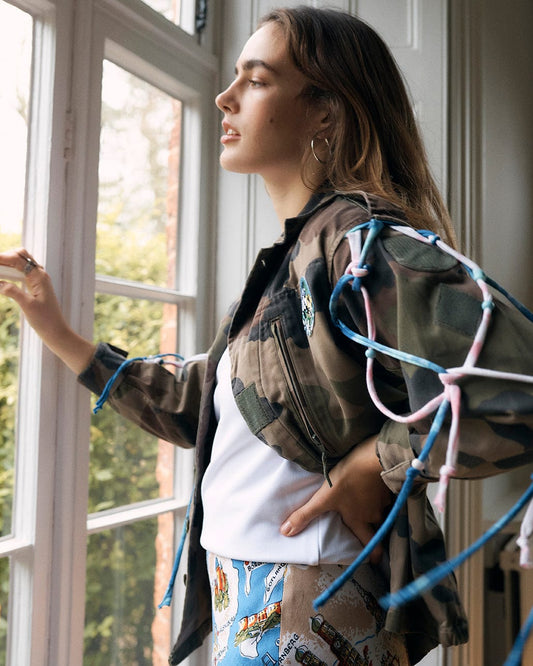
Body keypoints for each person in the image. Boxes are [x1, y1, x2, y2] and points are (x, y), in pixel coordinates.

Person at [1, 6, 533, 665]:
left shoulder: (360, 242)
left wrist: (376, 462)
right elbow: (202, 407)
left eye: (253, 80)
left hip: (304, 604)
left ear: (325, 112)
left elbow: (514, 395)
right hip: (255, 594)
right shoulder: (295, 258)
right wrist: (61, 334)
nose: (225, 96)